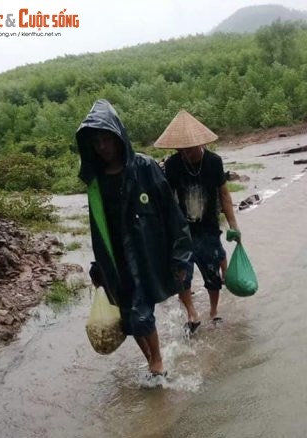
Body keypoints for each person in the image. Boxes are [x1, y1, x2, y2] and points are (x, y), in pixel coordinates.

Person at [76, 100, 192, 376]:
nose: (103, 147)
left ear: (119, 138)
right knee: (128, 319)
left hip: (145, 252)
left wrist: (180, 255)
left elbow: (172, 214)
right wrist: (99, 265)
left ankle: (158, 362)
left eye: (107, 139)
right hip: (116, 257)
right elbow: (99, 227)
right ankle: (151, 358)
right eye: (97, 142)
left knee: (141, 312)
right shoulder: (97, 182)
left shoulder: (145, 167)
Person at [155, 110, 240, 329]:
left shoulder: (214, 162)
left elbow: (224, 194)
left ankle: (213, 311)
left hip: (209, 228)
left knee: (212, 274)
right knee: (182, 275)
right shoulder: (173, 165)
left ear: (199, 144)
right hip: (183, 230)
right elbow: (167, 199)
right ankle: (192, 314)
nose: (185, 153)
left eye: (189, 149)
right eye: (181, 150)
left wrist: (233, 225)